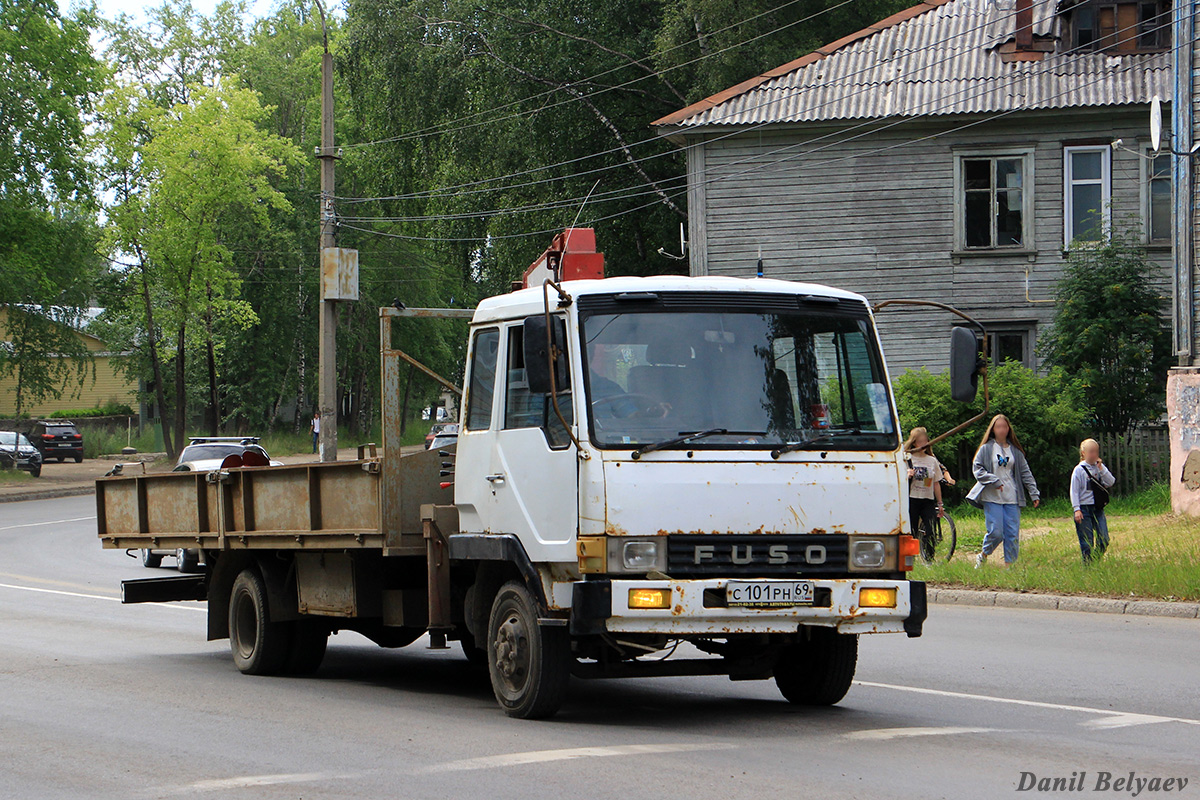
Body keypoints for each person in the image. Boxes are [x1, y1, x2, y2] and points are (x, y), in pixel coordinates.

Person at [966, 414, 1040, 568]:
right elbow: (977, 469)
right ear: (993, 429)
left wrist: (1033, 493)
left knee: (1012, 534)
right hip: (992, 497)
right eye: (998, 426)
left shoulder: (1015, 452)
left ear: (1008, 429)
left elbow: (1026, 473)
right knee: (996, 532)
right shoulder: (986, 449)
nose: (1002, 430)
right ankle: (983, 555)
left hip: (1012, 497)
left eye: (1004, 426)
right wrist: (994, 480)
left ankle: (1009, 567)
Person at [1070, 438, 1116, 564]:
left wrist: (1101, 468)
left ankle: (1095, 560)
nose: (1094, 454)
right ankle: (1088, 566)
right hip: (1084, 508)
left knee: (1104, 538)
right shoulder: (1079, 470)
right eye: (1091, 452)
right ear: (1083, 453)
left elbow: (1111, 482)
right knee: (1087, 541)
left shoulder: (1099, 468)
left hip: (1098, 508)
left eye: (1096, 451)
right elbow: (1074, 491)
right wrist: (1077, 509)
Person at [903, 427, 944, 561]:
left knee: (931, 529)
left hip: (927, 500)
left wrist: (940, 503)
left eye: (925, 441)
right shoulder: (907, 459)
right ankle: (910, 559)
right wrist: (907, 475)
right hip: (912, 499)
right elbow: (897, 479)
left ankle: (929, 558)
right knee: (912, 532)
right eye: (920, 442)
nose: (923, 445)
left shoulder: (932, 461)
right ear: (914, 443)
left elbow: (936, 483)